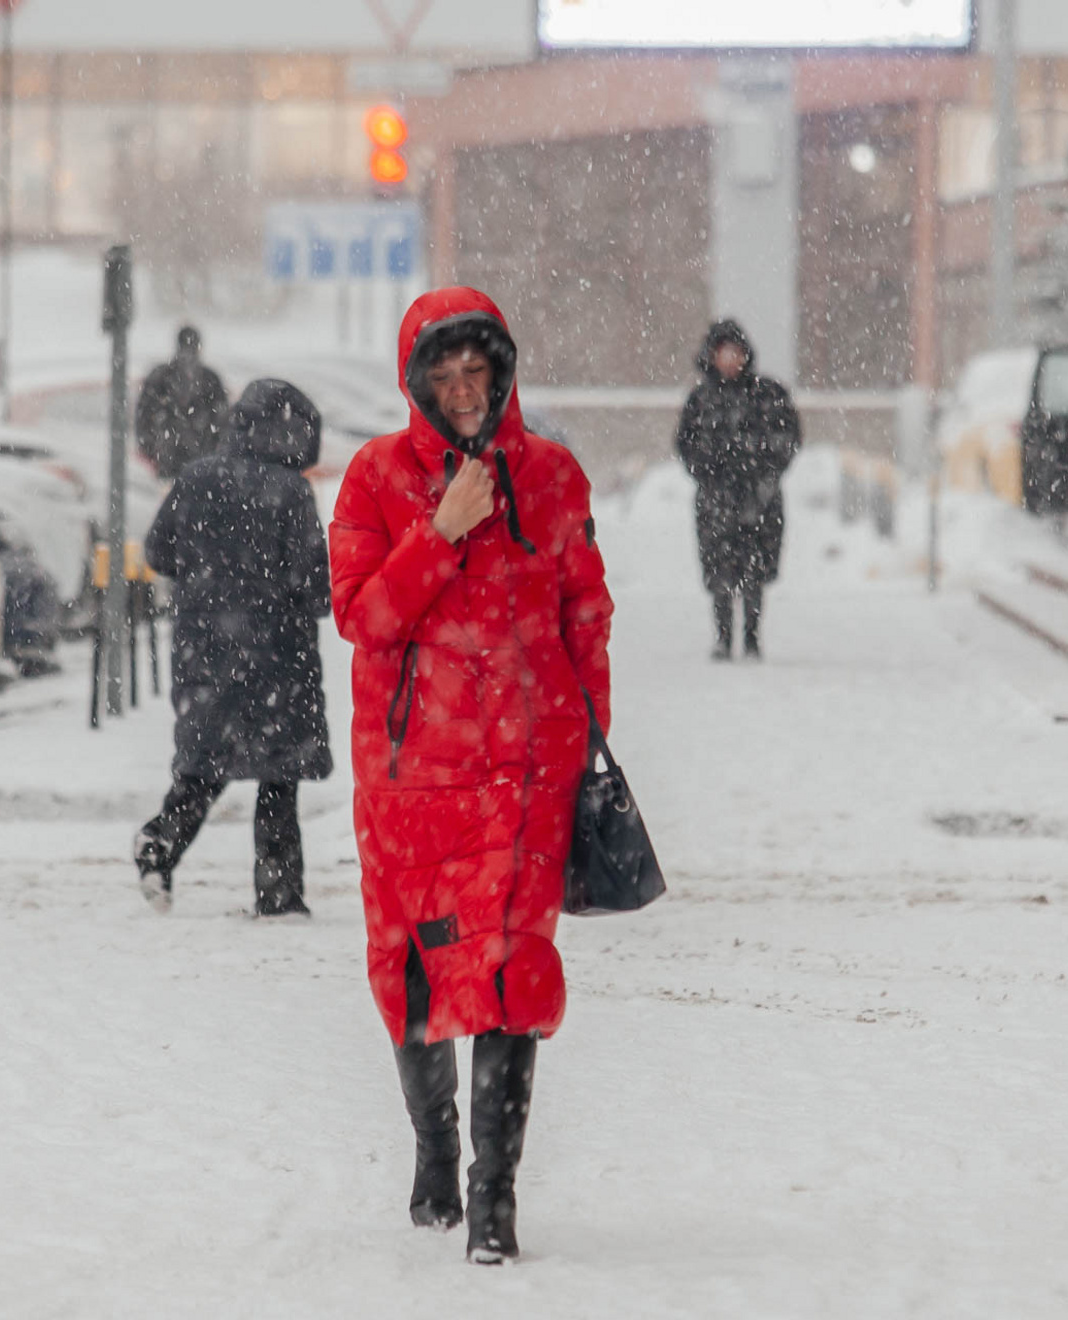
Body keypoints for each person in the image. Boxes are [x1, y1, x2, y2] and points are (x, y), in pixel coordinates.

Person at [329, 287, 613, 1264]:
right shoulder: (373, 479)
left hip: (532, 771)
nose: (461, 393)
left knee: (512, 974)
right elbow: (364, 617)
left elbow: (586, 613)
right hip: (417, 778)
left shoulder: (555, 476)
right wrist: (442, 528)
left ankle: (495, 1200)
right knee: (416, 967)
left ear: (500, 374)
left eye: (475, 374)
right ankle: (434, 1146)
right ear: (417, 384)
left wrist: (588, 740)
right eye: (442, 378)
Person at [133, 379, 333, 918]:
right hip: (278, 656)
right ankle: (278, 891)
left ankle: (161, 843)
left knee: (205, 763)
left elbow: (159, 551)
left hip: (206, 649)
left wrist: (210, 581)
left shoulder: (197, 478)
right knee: (278, 773)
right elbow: (314, 584)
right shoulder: (290, 492)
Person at [674, 319, 801, 660]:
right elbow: (685, 445)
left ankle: (752, 636)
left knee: (755, 568)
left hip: (760, 498)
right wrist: (710, 478)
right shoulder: (701, 400)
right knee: (720, 569)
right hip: (716, 499)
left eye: (735, 353)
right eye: (723, 353)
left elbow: (787, 438)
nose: (730, 360)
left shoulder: (768, 395)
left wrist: (766, 478)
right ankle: (723, 634)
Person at [135, 325, 229, 480]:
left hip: (166, 462)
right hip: (203, 465)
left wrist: (150, 449)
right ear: (199, 347)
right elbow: (223, 420)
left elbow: (143, 416)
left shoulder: (160, 376)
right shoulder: (210, 378)